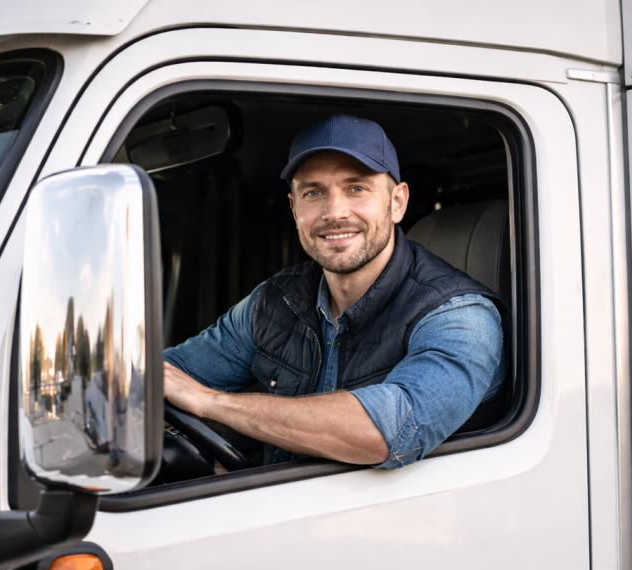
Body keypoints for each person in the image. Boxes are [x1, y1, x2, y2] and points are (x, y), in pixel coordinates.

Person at [163, 114, 506, 468]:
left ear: (397, 203)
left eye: (356, 188)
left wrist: (209, 403)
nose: (334, 212)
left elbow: (387, 434)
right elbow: (169, 376)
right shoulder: (273, 301)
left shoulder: (461, 316)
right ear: (295, 209)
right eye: (313, 192)